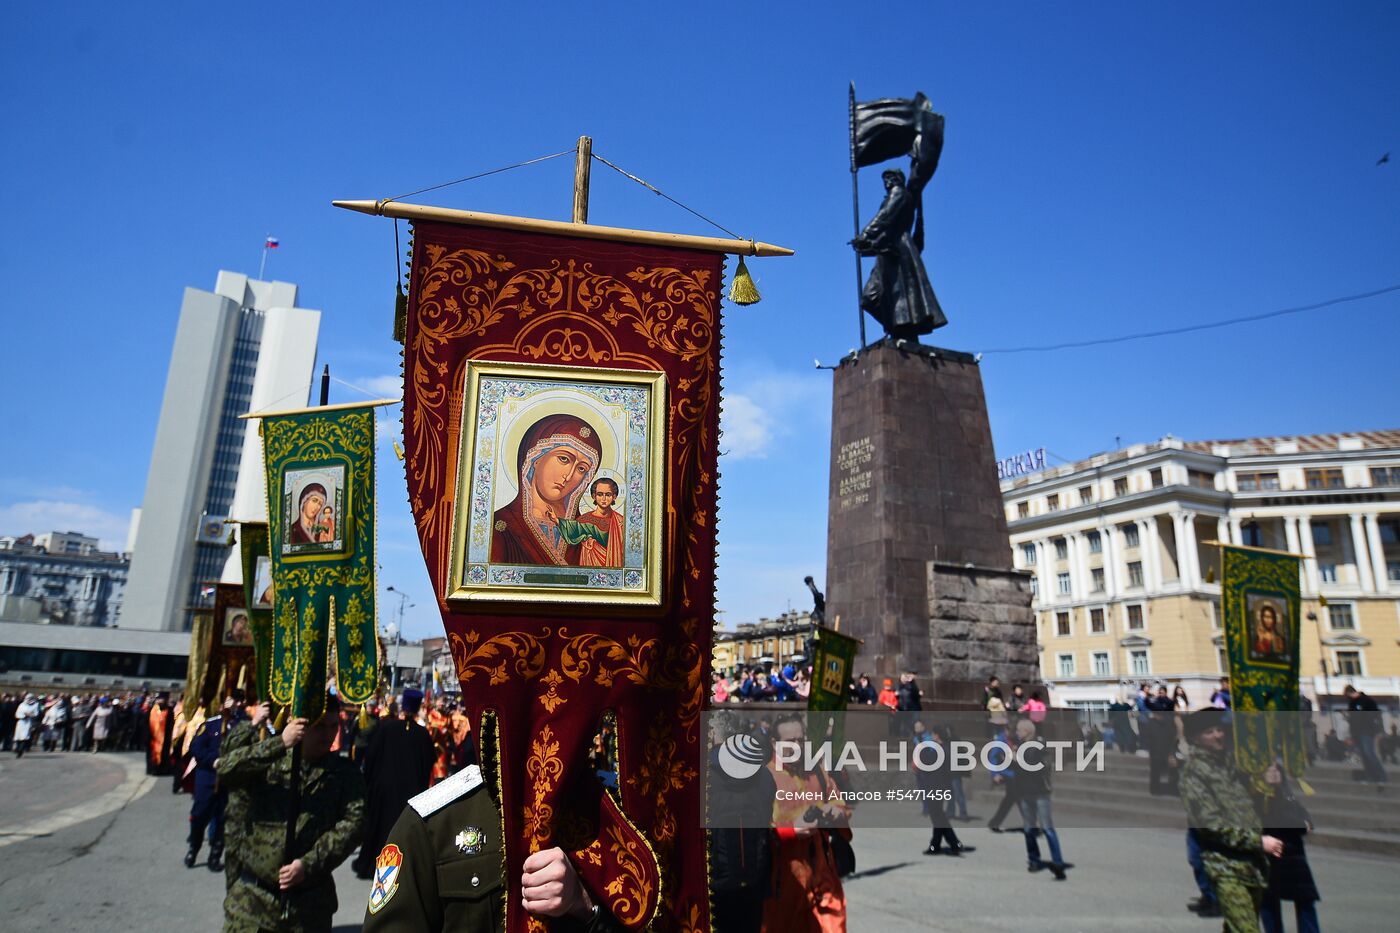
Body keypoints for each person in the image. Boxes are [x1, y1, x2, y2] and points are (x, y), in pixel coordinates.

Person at [217, 693, 365, 932]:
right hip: (252, 903)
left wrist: (308, 864)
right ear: (298, 725)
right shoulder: (271, 759)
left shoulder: (344, 773)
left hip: (308, 907)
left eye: (333, 726)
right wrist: (280, 743)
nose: (328, 735)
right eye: (320, 727)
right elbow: (226, 769)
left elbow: (354, 824)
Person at [1179, 709, 1283, 933]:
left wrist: (1268, 785)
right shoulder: (1194, 772)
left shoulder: (1231, 766)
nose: (1218, 735)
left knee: (1238, 927)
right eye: (1209, 732)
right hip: (1224, 866)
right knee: (1246, 930)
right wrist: (1257, 842)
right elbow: (1211, 825)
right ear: (1196, 738)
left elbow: (1253, 807)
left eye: (1219, 730)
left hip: (1252, 865)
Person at [762, 714, 850, 932]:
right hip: (784, 877)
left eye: (800, 740)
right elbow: (755, 830)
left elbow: (838, 802)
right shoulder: (764, 777)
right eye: (790, 741)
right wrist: (791, 830)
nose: (797, 746)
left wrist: (836, 813)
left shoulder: (817, 769)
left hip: (822, 872)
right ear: (775, 743)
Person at [489, 414, 601, 567]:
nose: (568, 476)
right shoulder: (501, 526)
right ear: (536, 458)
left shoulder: (585, 534)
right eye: (564, 459)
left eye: (581, 469)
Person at [851, 168, 946, 339]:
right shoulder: (896, 195)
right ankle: (897, 328)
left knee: (898, 297)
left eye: (890, 177)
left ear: (898, 179)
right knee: (869, 298)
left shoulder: (899, 193)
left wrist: (865, 234)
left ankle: (902, 331)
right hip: (887, 253)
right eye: (885, 178)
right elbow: (885, 227)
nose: (886, 181)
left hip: (899, 253)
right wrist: (867, 244)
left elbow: (885, 216)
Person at [352, 688, 436, 881]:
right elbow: (428, 762)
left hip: (384, 789)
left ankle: (373, 864)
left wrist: (370, 782)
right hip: (410, 792)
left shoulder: (386, 728)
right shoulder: (422, 734)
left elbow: (371, 757)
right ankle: (398, 868)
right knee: (402, 831)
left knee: (380, 825)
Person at [1258, 762, 1321, 933]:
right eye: (1269, 770)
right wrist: (1302, 824)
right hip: (1272, 855)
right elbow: (1282, 819)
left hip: (1294, 857)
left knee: (1306, 900)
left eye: (1276, 769)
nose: (1274, 773)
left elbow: (1304, 815)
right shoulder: (1261, 796)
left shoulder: (1286, 793)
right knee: (1270, 903)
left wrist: (1304, 823)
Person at [1011, 718, 1068, 880]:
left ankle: (1058, 862)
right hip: (1025, 792)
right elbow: (1019, 770)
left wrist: (1016, 759)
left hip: (1040, 792)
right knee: (1029, 828)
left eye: (1019, 730)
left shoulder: (1038, 747)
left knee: (1047, 827)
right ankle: (1033, 859)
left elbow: (1033, 768)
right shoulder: (1021, 747)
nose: (1017, 733)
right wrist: (1008, 760)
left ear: (1027, 731)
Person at [186, 695, 238, 871]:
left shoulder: (239, 725)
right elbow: (196, 748)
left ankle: (215, 856)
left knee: (223, 820)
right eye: (228, 701)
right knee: (199, 816)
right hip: (207, 779)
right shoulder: (210, 724)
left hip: (227, 782)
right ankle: (193, 848)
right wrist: (212, 761)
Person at [915, 724, 972, 856]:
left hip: (935, 786)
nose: (932, 736)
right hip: (943, 786)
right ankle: (937, 845)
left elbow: (926, 762)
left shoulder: (940, 750)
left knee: (938, 817)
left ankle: (953, 843)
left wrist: (921, 747)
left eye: (934, 734)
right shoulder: (947, 748)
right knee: (938, 816)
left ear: (937, 735)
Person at [1344, 684, 1387, 787]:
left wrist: (1377, 730)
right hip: (1358, 733)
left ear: (1351, 693)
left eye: (1347, 696)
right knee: (1364, 756)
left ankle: (1382, 777)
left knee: (1369, 754)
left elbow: (1373, 716)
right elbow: (1353, 719)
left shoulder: (1366, 700)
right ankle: (1370, 777)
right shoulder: (1352, 703)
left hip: (1367, 732)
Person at [576, 477, 625, 567]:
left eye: (608, 495)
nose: (604, 498)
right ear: (594, 496)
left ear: (614, 497)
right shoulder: (583, 520)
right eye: (600, 494)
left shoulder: (621, 523)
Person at [1146, 685, 1179, 796]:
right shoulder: (1152, 722)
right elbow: (1149, 737)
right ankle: (1155, 789)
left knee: (1171, 770)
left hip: (1165, 749)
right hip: (1156, 750)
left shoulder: (1168, 720)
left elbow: (1173, 735)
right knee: (1155, 771)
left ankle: (1171, 788)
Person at [13, 693, 40, 757]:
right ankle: (17, 748)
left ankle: (21, 750)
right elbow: (17, 714)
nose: (28, 700)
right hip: (21, 722)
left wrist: (30, 714)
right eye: (27, 698)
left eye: (30, 698)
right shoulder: (21, 705)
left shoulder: (35, 705)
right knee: (18, 737)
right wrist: (23, 715)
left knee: (24, 737)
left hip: (28, 723)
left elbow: (36, 714)